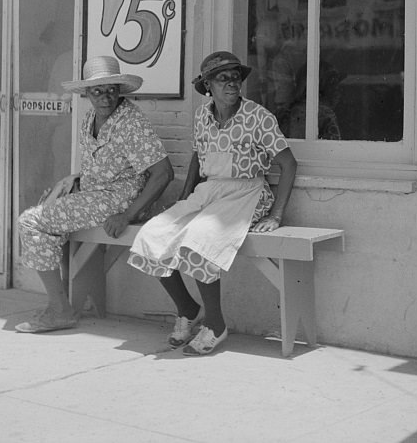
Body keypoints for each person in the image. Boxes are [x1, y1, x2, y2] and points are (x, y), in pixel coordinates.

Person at [127, 50, 297, 356]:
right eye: (222, 79)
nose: (232, 84)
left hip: (246, 193)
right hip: (209, 193)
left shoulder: (258, 117)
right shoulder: (202, 116)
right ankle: (188, 309)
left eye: (236, 78)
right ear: (208, 86)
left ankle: (216, 325)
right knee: (152, 236)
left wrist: (277, 215)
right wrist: (185, 198)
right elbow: (197, 156)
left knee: (198, 241)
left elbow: (289, 164)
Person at [15, 55, 173, 334]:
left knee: (30, 221)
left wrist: (128, 214)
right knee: (46, 209)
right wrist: (73, 181)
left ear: (119, 90)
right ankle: (60, 303)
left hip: (119, 200)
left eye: (112, 89)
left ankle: (60, 309)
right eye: (98, 91)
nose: (106, 97)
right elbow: (98, 166)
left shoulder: (130, 122)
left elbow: (163, 173)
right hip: (95, 195)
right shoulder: (90, 118)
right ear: (86, 93)